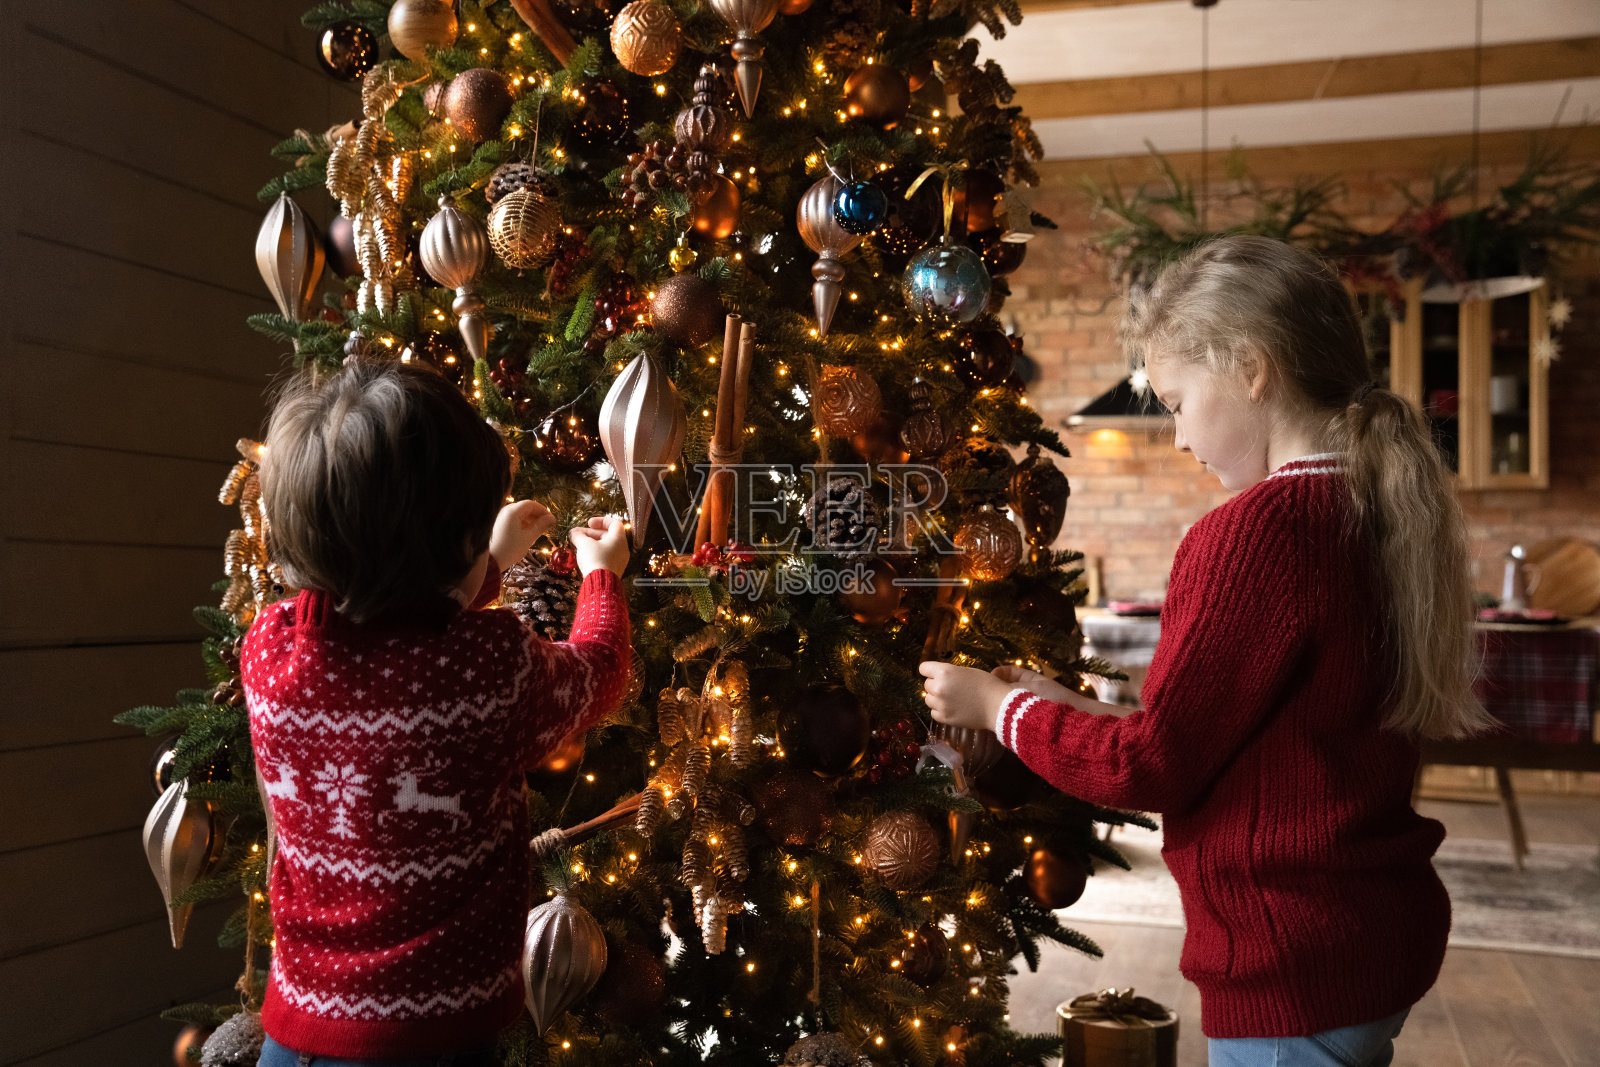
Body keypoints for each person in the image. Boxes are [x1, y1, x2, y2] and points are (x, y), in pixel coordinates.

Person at [921, 235, 1490, 1067]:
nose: (1179, 437)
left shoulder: (1255, 533)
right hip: (1363, 939)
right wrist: (1061, 702)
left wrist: (997, 709)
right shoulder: (1366, 508)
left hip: (1289, 968)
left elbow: (1156, 767)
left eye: (1178, 401)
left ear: (1252, 369)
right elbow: (1221, 739)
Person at [243, 358, 632, 1066]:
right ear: (452, 543)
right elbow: (599, 674)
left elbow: (393, 632)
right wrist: (602, 572)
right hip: (432, 1039)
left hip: (296, 1029)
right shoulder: (489, 668)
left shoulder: (269, 648)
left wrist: (489, 559)